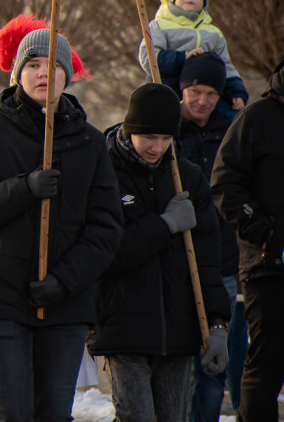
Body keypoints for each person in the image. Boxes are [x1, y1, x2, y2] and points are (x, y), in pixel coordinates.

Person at [0, 16, 123, 421]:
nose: (43, 73)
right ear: (17, 73)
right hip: (1, 300)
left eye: (54, 65)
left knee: (53, 412)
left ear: (67, 75)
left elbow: (106, 227)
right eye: (32, 64)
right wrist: (23, 188)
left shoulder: (91, 142)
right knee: (11, 410)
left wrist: (64, 280)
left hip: (63, 302)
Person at [88, 83, 230, 422]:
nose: (157, 147)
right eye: (149, 137)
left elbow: (207, 258)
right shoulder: (104, 174)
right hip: (122, 327)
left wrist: (218, 324)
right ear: (130, 129)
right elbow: (106, 252)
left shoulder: (187, 178)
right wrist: (164, 225)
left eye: (166, 139)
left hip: (179, 328)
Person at [212, 59, 284, 422]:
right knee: (267, 365)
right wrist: (264, 232)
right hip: (269, 266)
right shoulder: (257, 117)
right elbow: (224, 183)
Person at [176, 55, 246, 420]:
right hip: (174, 259)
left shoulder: (235, 129)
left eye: (210, 93)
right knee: (177, 363)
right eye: (194, 91)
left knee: (214, 360)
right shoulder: (167, 129)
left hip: (222, 258)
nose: (201, 101)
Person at [139, 0, 247, 112]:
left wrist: (237, 92)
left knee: (232, 115)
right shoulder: (159, 26)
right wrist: (182, 57)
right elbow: (148, 58)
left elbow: (226, 66)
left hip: (202, 98)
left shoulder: (213, 33)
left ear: (205, 1)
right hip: (166, 91)